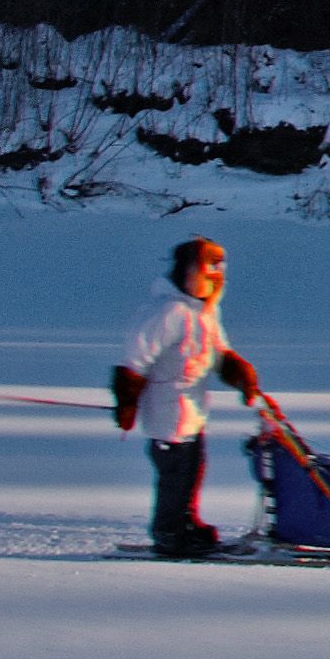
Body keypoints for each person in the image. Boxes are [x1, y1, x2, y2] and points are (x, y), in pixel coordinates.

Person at [111, 236, 264, 558]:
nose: (214, 280)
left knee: (193, 471)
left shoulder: (205, 314)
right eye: (207, 271)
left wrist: (241, 376)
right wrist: (127, 401)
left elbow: (219, 355)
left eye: (218, 273)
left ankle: (186, 524)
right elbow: (136, 359)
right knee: (175, 477)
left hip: (192, 411)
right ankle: (169, 533)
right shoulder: (169, 312)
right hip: (166, 412)